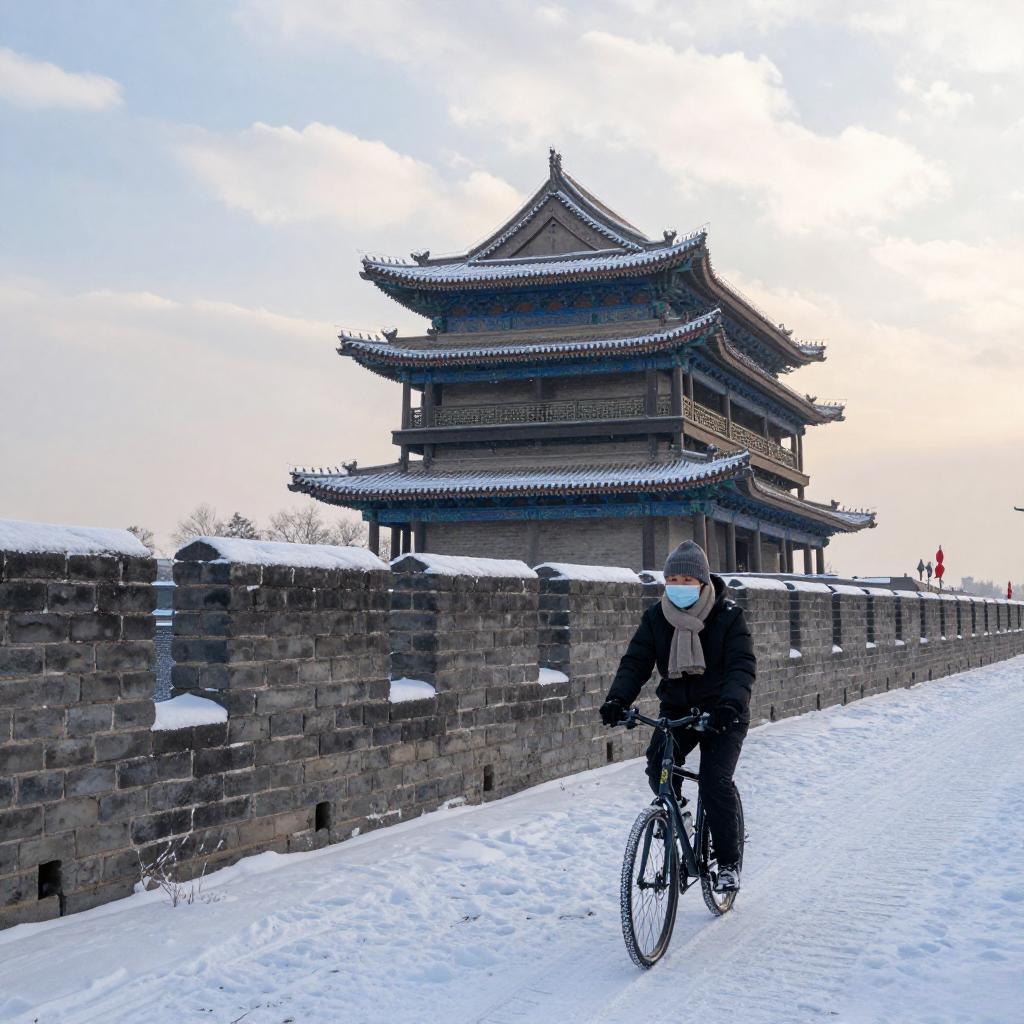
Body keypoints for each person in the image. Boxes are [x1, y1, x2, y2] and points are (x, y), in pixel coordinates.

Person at [599, 540, 755, 891]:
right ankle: (678, 813)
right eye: (673, 579)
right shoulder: (657, 618)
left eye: (687, 579)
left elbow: (741, 667)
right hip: (678, 712)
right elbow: (636, 662)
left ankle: (728, 863)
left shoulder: (729, 617)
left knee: (715, 782)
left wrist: (731, 704)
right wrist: (617, 699)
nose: (679, 586)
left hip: (723, 713)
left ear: (702, 582)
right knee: (658, 765)